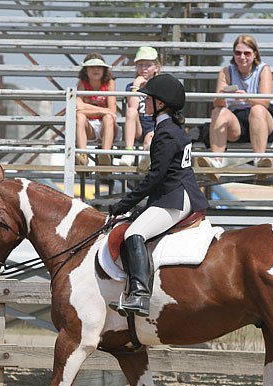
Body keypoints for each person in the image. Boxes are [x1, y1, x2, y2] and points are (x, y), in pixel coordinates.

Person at [107, 74, 209, 317]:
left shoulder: (165, 133)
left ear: (160, 103)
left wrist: (125, 203)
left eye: (148, 99)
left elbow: (155, 177)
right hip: (178, 193)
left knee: (134, 233)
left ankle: (140, 296)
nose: (144, 103)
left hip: (174, 197)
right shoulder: (172, 129)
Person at [197, 34, 273, 173]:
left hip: (264, 121)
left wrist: (246, 98)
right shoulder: (226, 71)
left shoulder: (263, 69)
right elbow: (217, 103)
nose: (242, 57)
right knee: (219, 112)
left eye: (247, 53)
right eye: (238, 53)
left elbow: (265, 102)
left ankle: (260, 160)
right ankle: (217, 161)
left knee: (257, 110)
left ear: (254, 54)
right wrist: (222, 96)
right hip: (238, 123)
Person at [115, 46, 161, 170]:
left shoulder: (162, 84)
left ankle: (146, 159)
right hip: (137, 127)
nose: (143, 69)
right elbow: (133, 106)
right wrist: (136, 86)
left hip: (154, 125)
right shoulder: (131, 86)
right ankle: (129, 152)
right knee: (130, 111)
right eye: (140, 65)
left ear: (156, 67)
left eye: (148, 65)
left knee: (149, 140)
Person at [75, 53, 117, 167]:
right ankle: (83, 155)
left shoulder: (109, 83)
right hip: (89, 127)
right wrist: (102, 110)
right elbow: (78, 106)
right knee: (79, 116)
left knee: (108, 118)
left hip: (106, 125)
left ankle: (105, 154)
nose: (96, 69)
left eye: (99, 67)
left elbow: (112, 110)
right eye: (92, 67)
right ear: (86, 70)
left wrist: (87, 108)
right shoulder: (82, 84)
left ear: (104, 70)